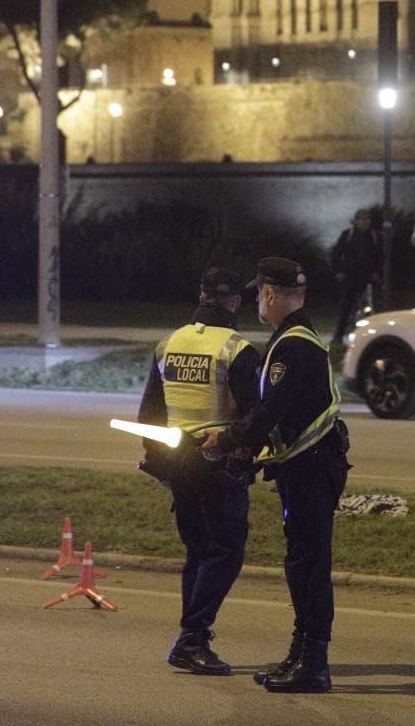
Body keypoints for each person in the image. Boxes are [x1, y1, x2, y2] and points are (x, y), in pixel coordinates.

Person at [203, 257, 350, 695]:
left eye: (258, 294)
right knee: (301, 563)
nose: (256, 302)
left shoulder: (292, 346)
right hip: (306, 466)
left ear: (269, 294)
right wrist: (249, 444)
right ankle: (302, 653)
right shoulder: (293, 338)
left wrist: (228, 440)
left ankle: (314, 663)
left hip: (312, 469)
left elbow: (271, 411)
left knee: (308, 565)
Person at [136, 267, 262, 676]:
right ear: (235, 303)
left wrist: (158, 466)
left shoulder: (168, 343)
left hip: (178, 460)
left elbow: (150, 414)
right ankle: (192, 637)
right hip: (217, 459)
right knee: (226, 551)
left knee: (198, 551)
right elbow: (252, 416)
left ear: (202, 295)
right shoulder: (237, 349)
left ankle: (192, 637)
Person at [330, 207, 383, 332]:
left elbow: (381, 256)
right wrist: (339, 271)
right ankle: (339, 335)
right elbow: (336, 254)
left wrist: (376, 272)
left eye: (367, 220)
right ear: (356, 221)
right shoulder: (348, 235)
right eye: (361, 220)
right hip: (350, 277)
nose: (364, 222)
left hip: (368, 277)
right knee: (346, 307)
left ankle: (375, 333)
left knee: (372, 307)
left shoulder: (375, 236)